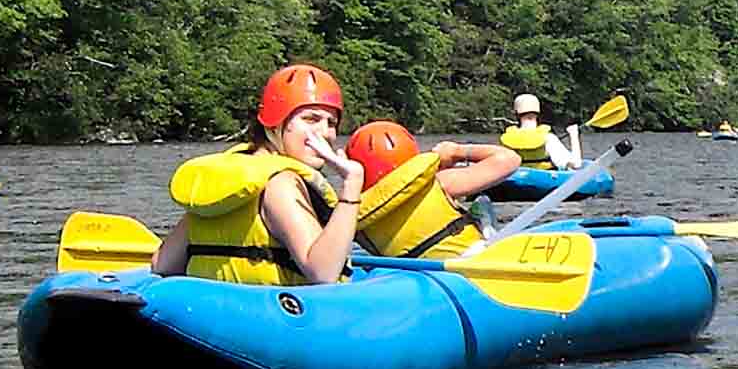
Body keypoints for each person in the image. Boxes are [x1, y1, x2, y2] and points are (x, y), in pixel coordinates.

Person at [152, 64, 366, 286]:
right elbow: (323, 273)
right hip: (271, 316)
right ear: (275, 124)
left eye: (331, 123)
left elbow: (163, 264)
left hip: (211, 310)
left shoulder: (231, 177)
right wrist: (352, 184)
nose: (325, 133)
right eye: (311, 119)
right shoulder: (280, 183)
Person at [342, 121, 520, 260]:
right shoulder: (441, 183)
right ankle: (485, 227)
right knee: (483, 202)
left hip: (423, 277)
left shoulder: (351, 215)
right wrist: (457, 151)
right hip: (474, 260)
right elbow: (509, 159)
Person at [501, 92, 583, 171]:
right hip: (544, 181)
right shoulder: (548, 138)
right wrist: (574, 135)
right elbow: (576, 165)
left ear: (516, 113)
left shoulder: (507, 138)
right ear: (538, 112)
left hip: (514, 178)